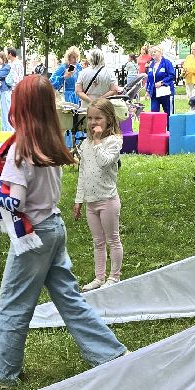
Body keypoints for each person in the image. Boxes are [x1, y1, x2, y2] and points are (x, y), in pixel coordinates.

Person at [0, 76, 127, 388]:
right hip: (54, 228)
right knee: (70, 298)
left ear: (20, 107)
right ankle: (111, 353)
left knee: (12, 303)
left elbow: (15, 203)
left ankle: (0, 373)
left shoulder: (20, 150)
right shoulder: (51, 143)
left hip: (33, 236)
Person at [72, 98, 124, 291]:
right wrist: (79, 200)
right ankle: (99, 278)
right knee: (98, 242)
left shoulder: (114, 141)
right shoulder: (86, 144)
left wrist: (97, 141)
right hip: (91, 203)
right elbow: (83, 173)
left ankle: (114, 276)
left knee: (113, 239)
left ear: (108, 119)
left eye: (98, 118)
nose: (93, 122)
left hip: (107, 200)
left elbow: (103, 162)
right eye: (90, 118)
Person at [145, 46, 177, 114]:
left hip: (166, 92)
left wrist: (162, 82)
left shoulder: (167, 62)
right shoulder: (151, 64)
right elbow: (149, 78)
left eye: (154, 52)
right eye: (151, 52)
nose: (153, 53)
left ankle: (169, 122)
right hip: (154, 93)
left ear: (160, 52)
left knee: (168, 113)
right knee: (154, 112)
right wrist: (148, 90)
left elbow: (172, 75)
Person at [0, 50, 13, 132]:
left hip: (5, 90)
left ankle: (9, 129)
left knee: (7, 110)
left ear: (3, 58)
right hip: (1, 90)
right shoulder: (2, 68)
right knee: (3, 111)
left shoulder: (7, 67)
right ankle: (4, 129)